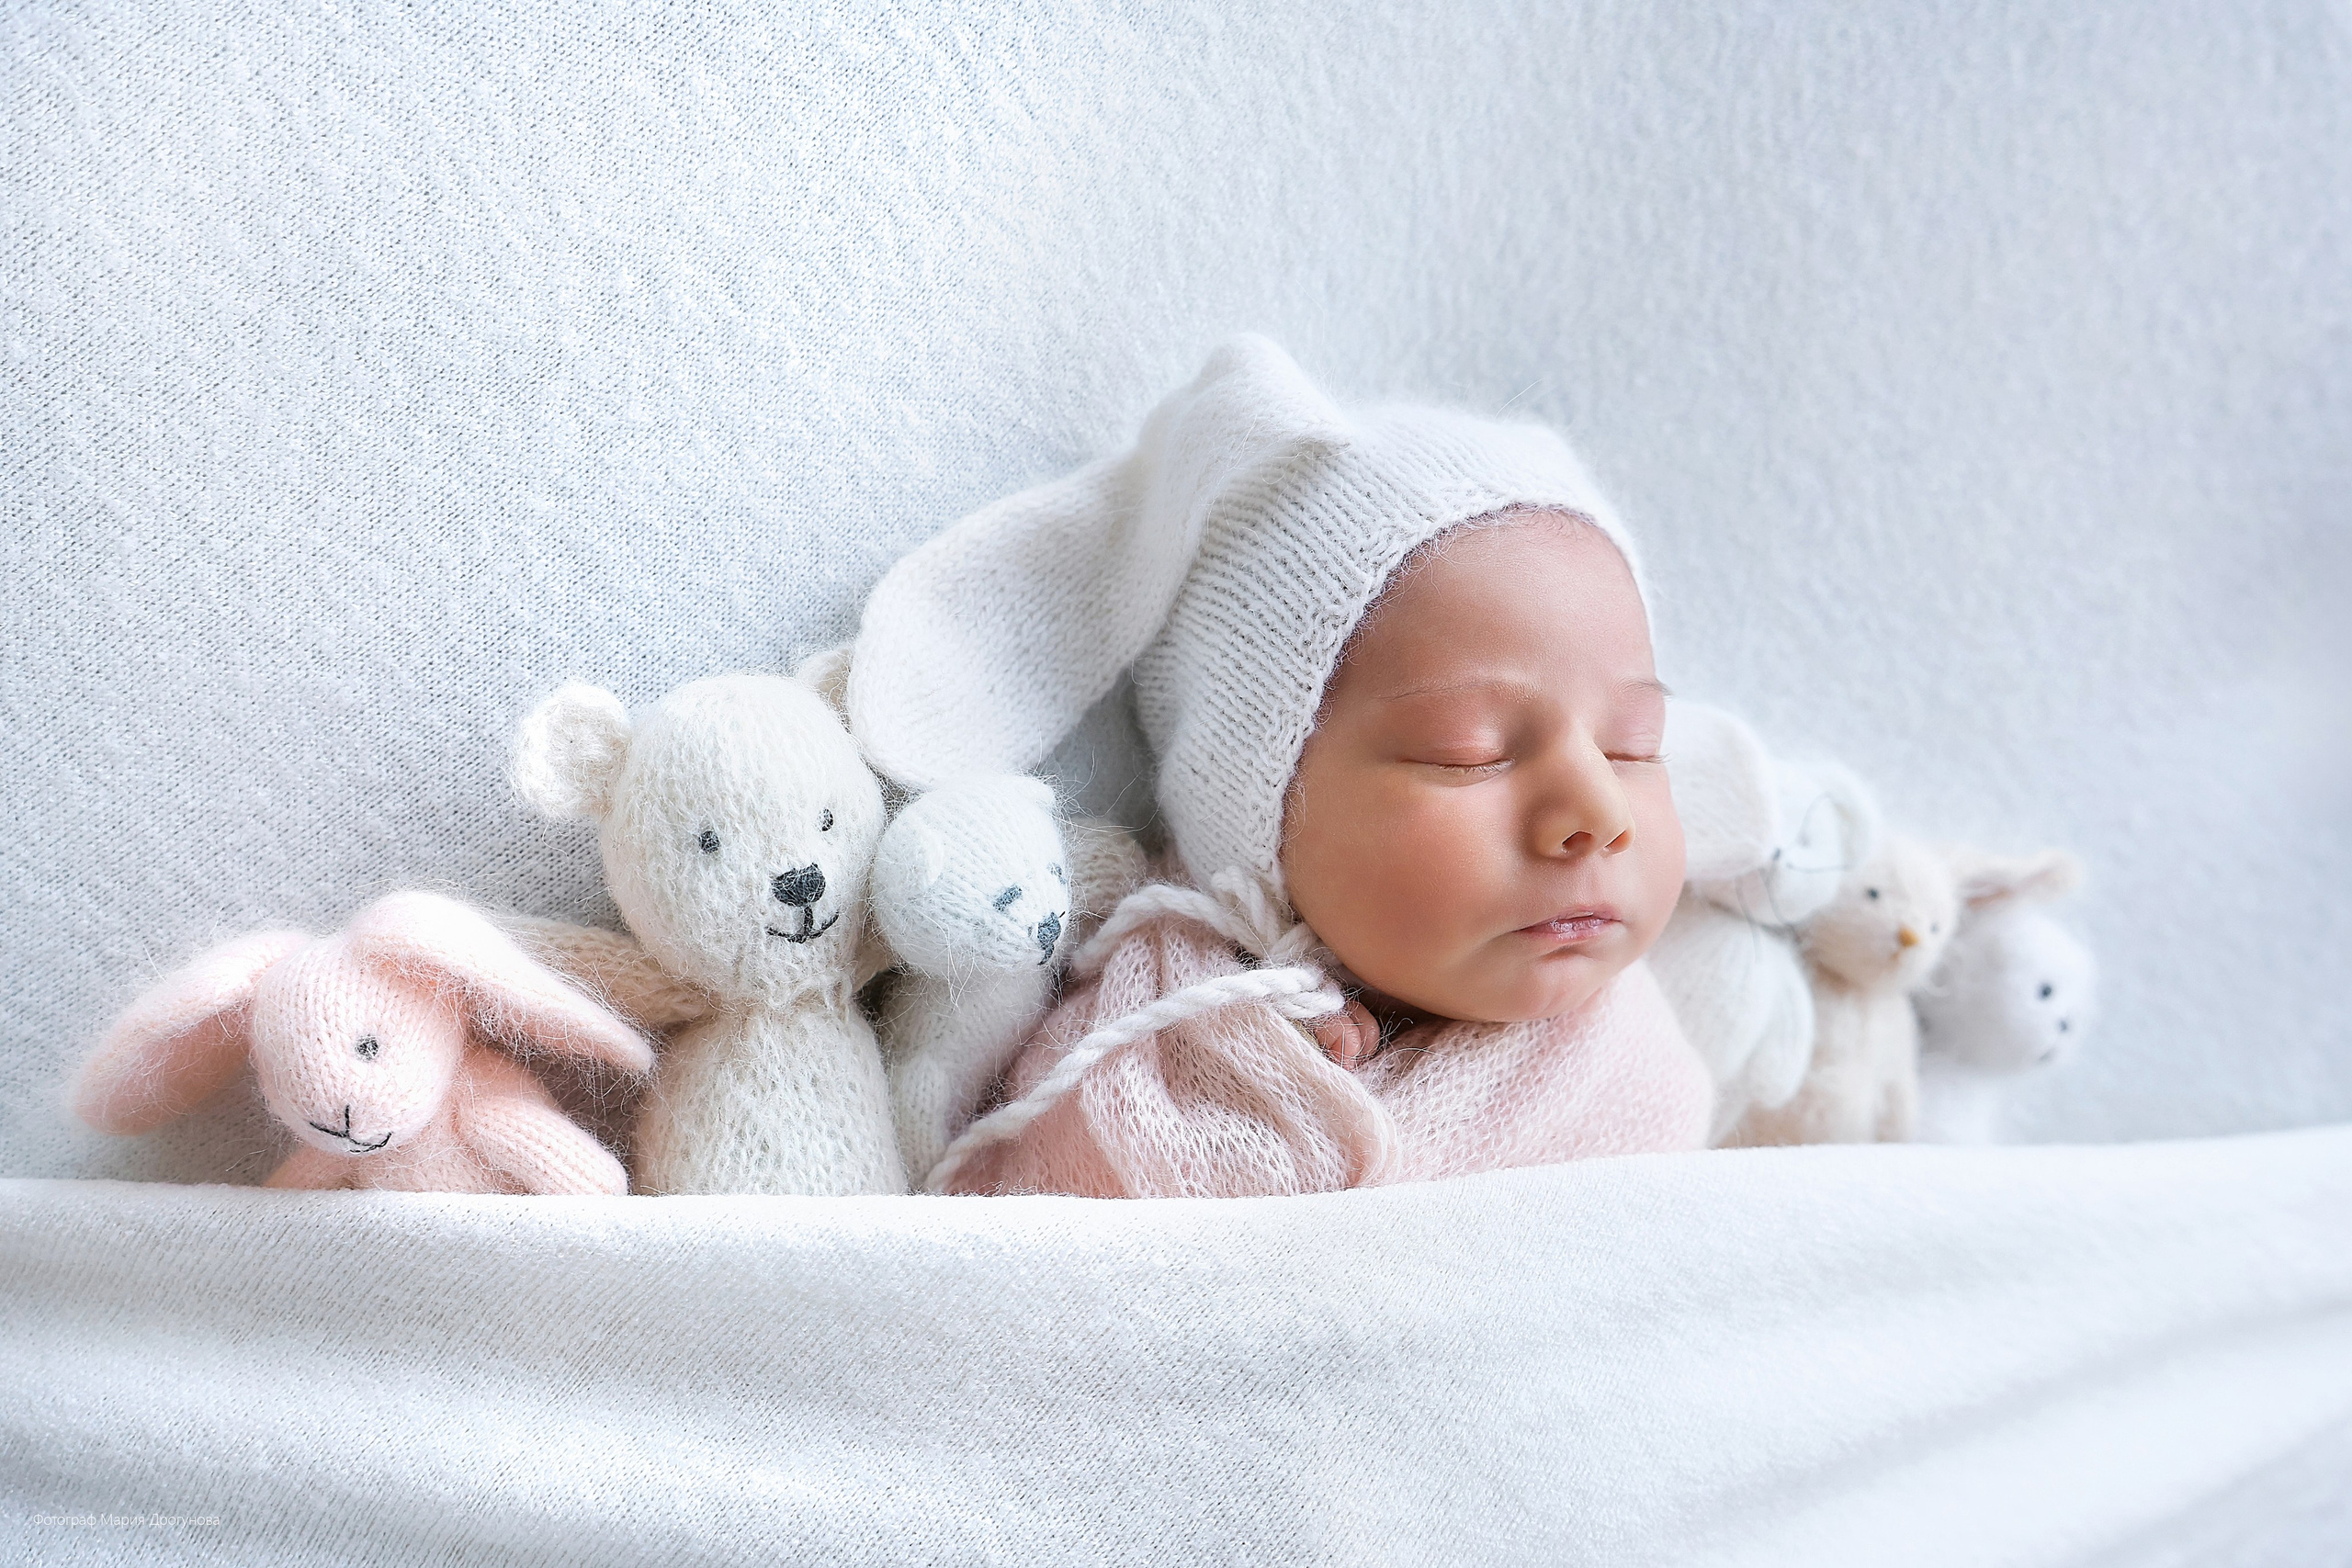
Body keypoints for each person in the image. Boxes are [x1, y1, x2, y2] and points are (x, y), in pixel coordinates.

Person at [848, 337, 1713, 1196]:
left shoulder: (1638, 1071)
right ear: (1262, 814)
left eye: (1633, 744)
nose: (1600, 807)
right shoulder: (1152, 1061)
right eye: (1470, 755)